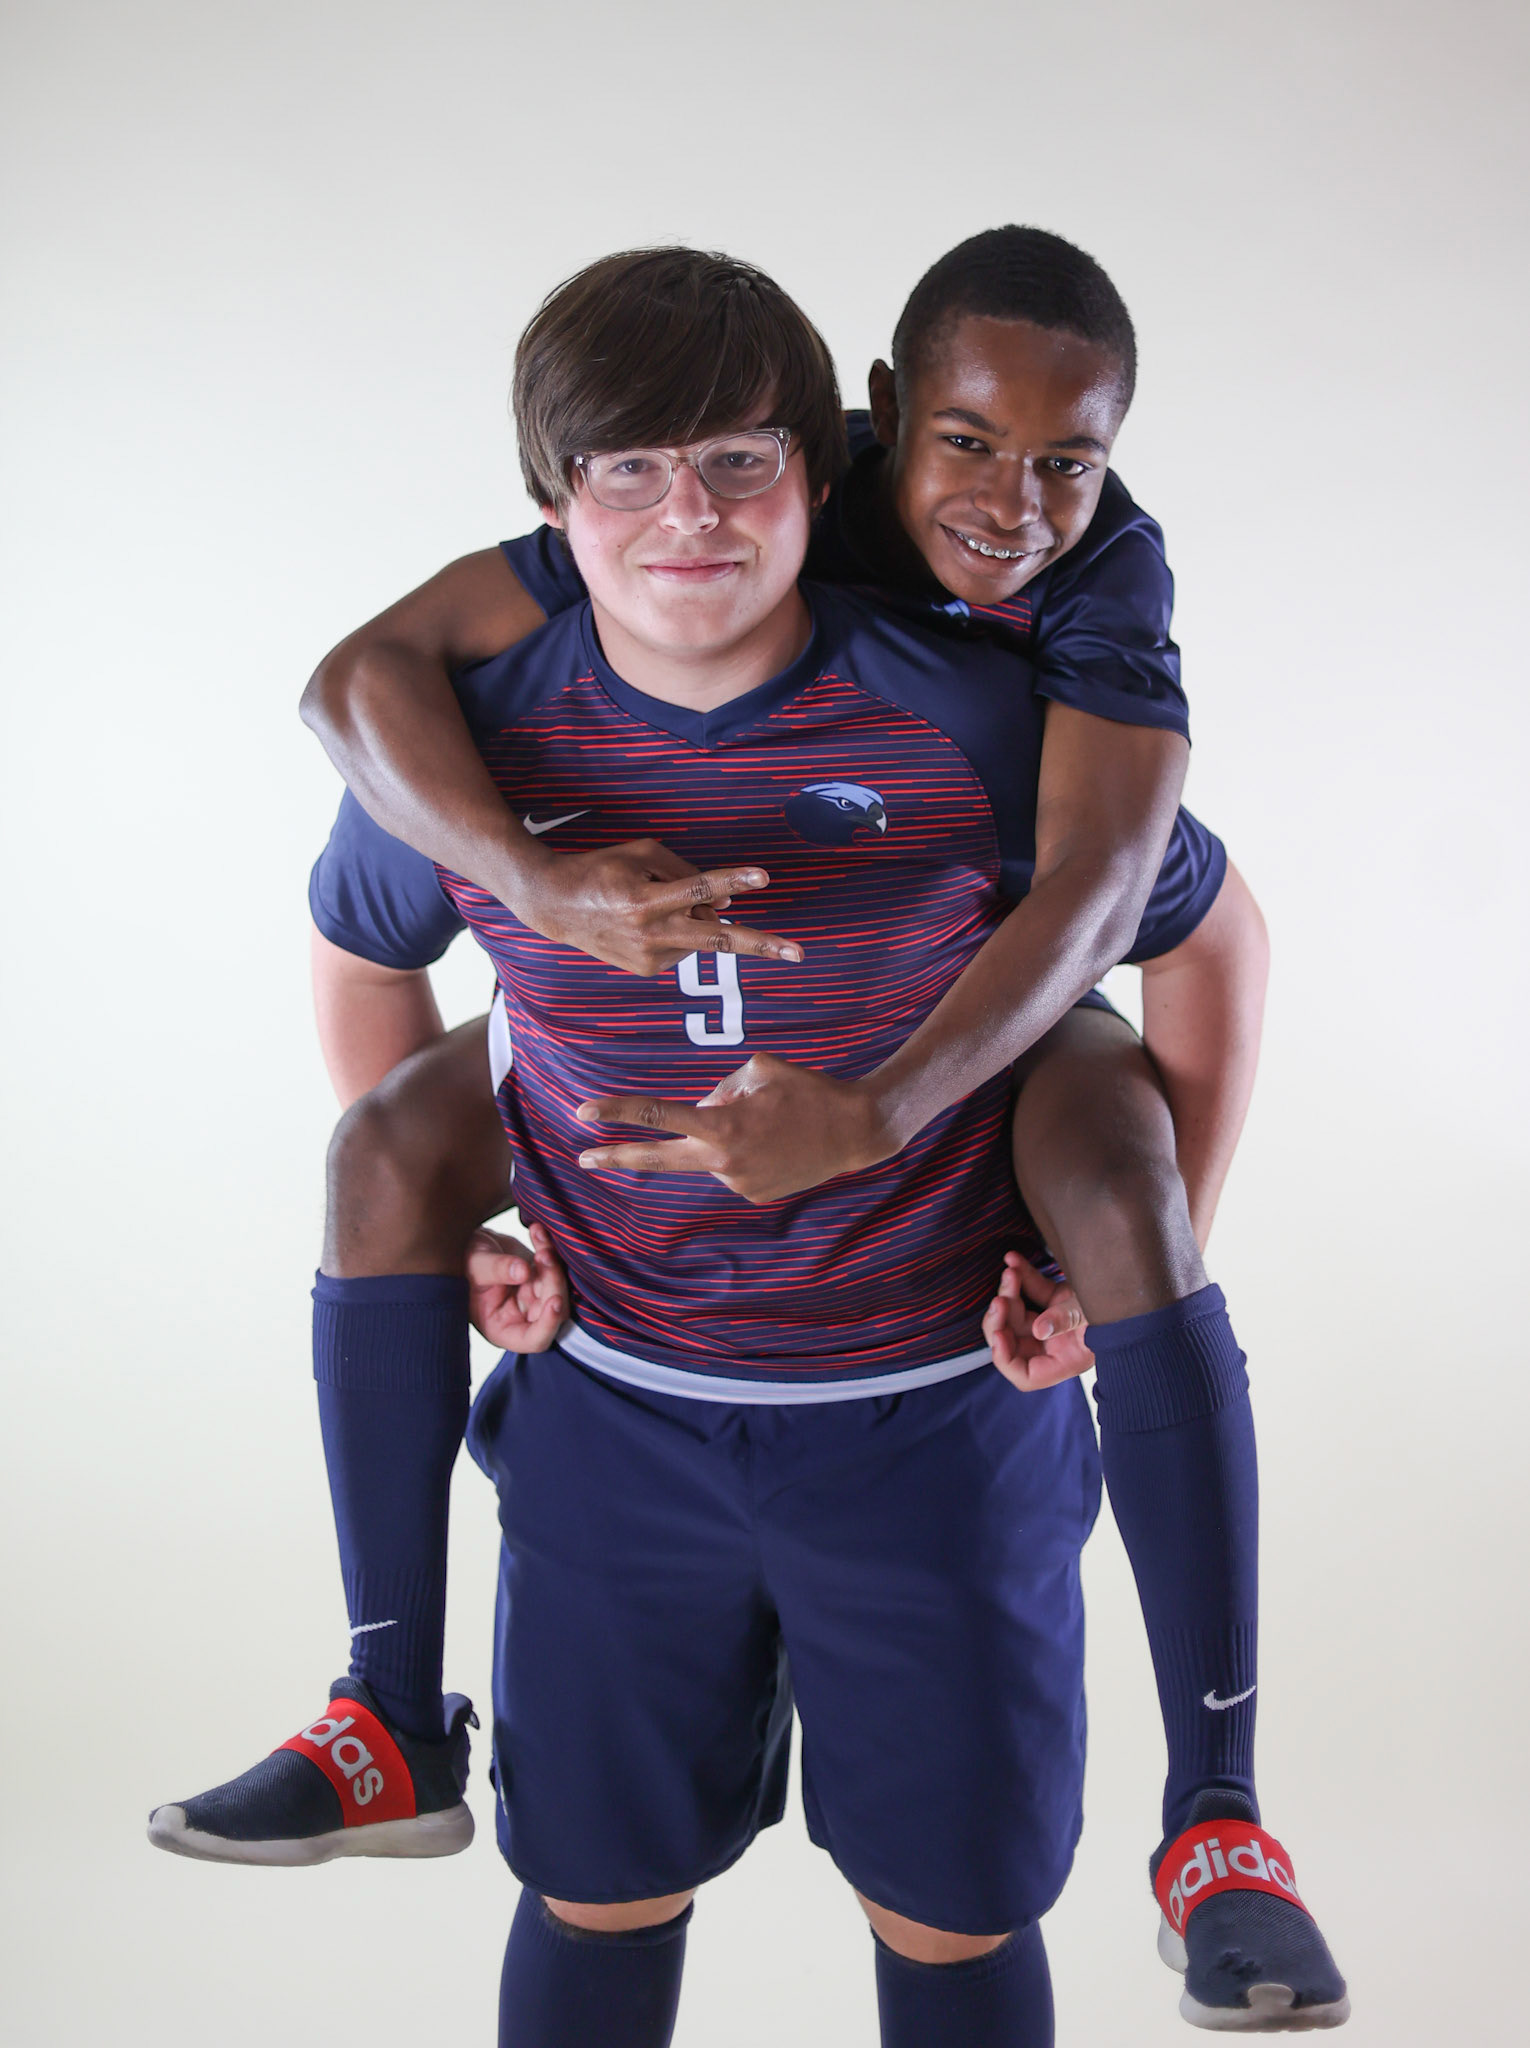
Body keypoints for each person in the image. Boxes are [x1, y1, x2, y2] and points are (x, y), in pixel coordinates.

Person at [149, 242, 1347, 2036]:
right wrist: (469, 1208)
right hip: (619, 1421)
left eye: (733, 462)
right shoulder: (480, 738)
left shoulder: (987, 707)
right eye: (627, 470)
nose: (685, 515)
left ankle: (1222, 1820)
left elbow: (1187, 918)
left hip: (930, 1422)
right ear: (555, 507)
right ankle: (388, 1706)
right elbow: (356, 921)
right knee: (597, 1891)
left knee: (949, 1920)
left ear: (813, 464)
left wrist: (1069, 1250)